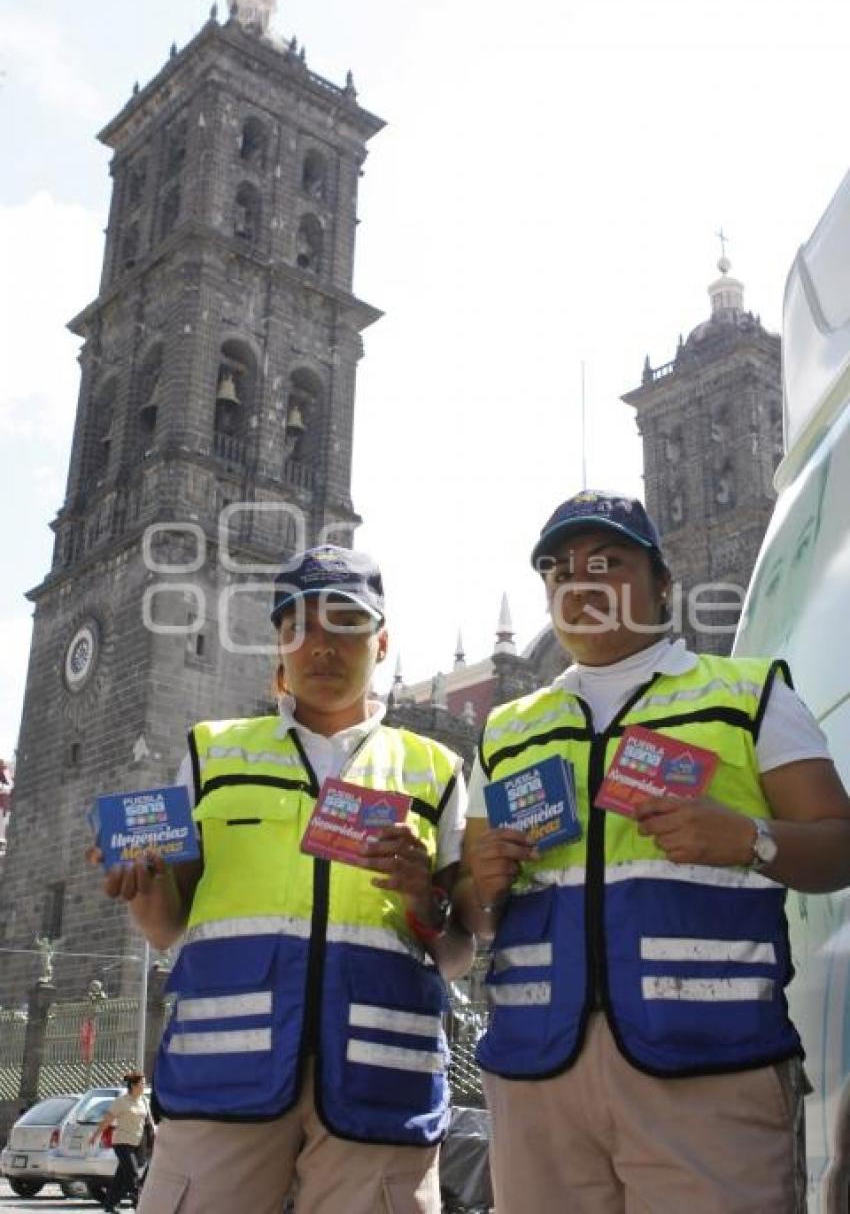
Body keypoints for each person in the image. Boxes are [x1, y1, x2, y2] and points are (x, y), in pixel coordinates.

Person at [454, 489, 850, 1214]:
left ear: (662, 583)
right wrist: (482, 884)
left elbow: (840, 845)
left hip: (710, 1065)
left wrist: (749, 837)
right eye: (561, 570)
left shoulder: (747, 693)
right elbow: (476, 916)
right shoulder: (507, 729)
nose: (581, 582)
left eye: (606, 562)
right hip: (538, 1073)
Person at [91, 545, 472, 1214]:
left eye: (347, 625)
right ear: (278, 644)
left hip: (381, 1083)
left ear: (381, 643)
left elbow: (458, 951)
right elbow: (167, 924)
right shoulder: (213, 751)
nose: (322, 645)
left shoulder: (434, 768)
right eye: (300, 627)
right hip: (223, 1079)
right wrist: (145, 889)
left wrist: (423, 894)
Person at [89, 1071, 150, 1212]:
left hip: (137, 1143)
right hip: (122, 1143)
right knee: (132, 1174)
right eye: (142, 1083)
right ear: (133, 1085)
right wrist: (95, 1135)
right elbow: (107, 1120)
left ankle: (110, 1205)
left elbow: (149, 1122)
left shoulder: (144, 1101)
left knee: (120, 1177)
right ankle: (139, 1204)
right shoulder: (121, 1101)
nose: (144, 1086)